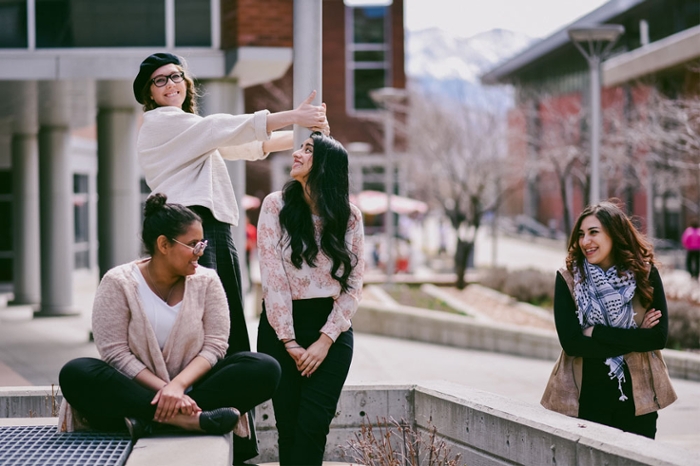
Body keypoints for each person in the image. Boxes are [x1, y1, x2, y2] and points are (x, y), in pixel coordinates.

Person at [134, 52, 328, 358]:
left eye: (175, 77)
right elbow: (223, 128)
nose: (170, 84)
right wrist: (295, 117)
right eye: (160, 80)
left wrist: (308, 137)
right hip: (188, 225)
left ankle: (231, 397)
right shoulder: (161, 122)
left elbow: (252, 145)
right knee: (207, 320)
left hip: (204, 226)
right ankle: (212, 394)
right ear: (149, 93)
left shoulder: (190, 133)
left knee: (220, 317)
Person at [58, 194, 281, 448]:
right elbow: (115, 353)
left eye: (202, 243)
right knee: (76, 373)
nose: (201, 252)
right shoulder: (118, 282)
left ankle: (149, 420)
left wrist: (178, 386)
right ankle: (189, 420)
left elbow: (215, 346)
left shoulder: (207, 281)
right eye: (193, 244)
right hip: (136, 390)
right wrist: (166, 390)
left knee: (264, 367)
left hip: (195, 389)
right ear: (163, 244)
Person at [256, 132, 365, 465]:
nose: (296, 154)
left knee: (313, 427)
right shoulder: (275, 205)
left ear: (326, 166)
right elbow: (272, 278)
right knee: (288, 428)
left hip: (330, 332)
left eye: (307, 150)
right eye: (300, 148)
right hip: (279, 328)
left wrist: (325, 340)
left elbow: (355, 284)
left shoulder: (349, 216)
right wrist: (289, 341)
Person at [545, 200, 676, 439]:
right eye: (581, 234)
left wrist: (596, 332)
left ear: (615, 234)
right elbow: (572, 344)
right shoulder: (569, 280)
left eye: (594, 232)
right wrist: (637, 337)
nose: (586, 241)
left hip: (639, 401)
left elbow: (657, 338)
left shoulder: (645, 275)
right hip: (587, 399)